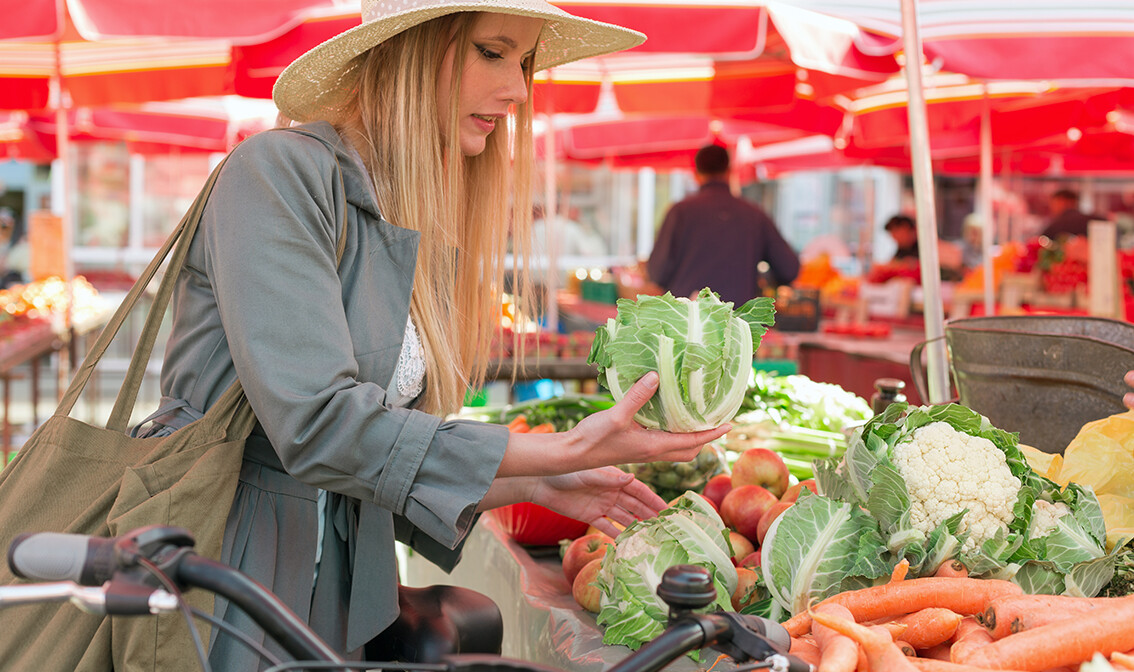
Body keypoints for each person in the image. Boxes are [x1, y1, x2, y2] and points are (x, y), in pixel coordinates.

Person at [131, 1, 729, 667]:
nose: (518, 89)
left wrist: (535, 486)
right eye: (492, 51)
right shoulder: (277, 174)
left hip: (336, 594)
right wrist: (559, 450)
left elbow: (382, 459)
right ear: (412, 51)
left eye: (525, 61)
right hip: (231, 577)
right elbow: (320, 427)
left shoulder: (409, 217)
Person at [646, 144, 800, 306]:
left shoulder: (680, 213)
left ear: (696, 174)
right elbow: (788, 269)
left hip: (686, 322)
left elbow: (657, 273)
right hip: (737, 322)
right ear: (729, 172)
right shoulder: (754, 215)